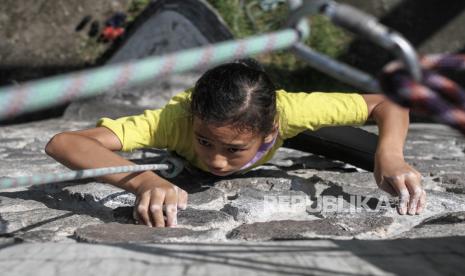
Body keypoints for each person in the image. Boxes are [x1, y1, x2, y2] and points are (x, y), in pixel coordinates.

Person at [45, 59, 426, 228]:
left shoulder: (291, 112)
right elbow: (64, 142)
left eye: (233, 150)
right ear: (193, 120)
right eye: (205, 141)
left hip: (289, 128)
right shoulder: (172, 122)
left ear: (271, 129)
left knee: (374, 157)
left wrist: (391, 155)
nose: (217, 161)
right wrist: (142, 180)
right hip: (200, 134)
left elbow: (388, 103)